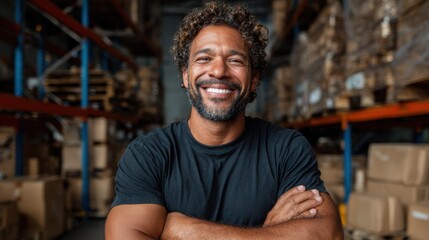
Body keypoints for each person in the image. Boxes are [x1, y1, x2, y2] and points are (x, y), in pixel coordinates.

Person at [105, 1, 344, 239]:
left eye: (235, 60)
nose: (219, 71)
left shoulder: (286, 149)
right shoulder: (149, 155)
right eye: (204, 59)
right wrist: (268, 232)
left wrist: (182, 230)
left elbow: (328, 234)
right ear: (185, 76)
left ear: (254, 80)